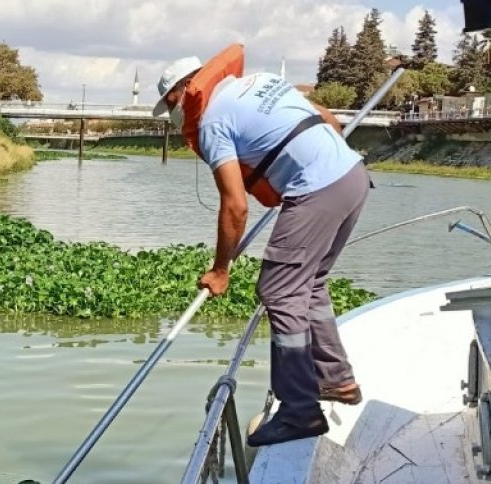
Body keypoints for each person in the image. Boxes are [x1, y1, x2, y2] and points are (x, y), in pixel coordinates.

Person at [153, 44, 370, 447]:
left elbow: (235, 206)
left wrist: (221, 270)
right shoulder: (261, 81)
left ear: (177, 95)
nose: (177, 118)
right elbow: (328, 121)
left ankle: (299, 411)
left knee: (278, 290)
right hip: (352, 175)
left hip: (318, 190)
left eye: (172, 109)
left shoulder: (212, 123)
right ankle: (335, 380)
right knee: (311, 282)